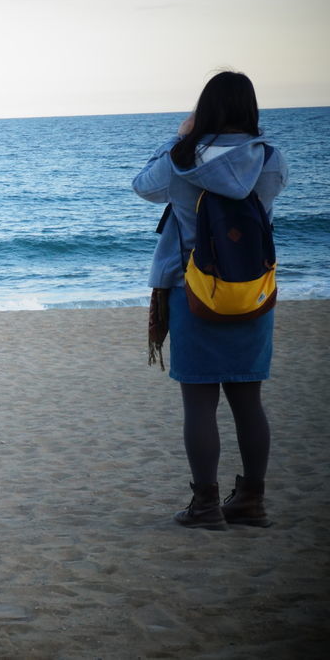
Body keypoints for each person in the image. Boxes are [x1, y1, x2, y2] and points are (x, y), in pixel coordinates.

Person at [132, 71, 288, 530]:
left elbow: (143, 186)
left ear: (204, 108)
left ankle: (204, 507)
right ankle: (251, 502)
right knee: (248, 399)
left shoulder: (181, 158)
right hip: (251, 290)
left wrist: (179, 138)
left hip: (192, 291)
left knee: (199, 404)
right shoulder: (270, 159)